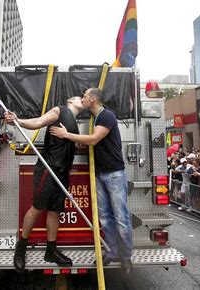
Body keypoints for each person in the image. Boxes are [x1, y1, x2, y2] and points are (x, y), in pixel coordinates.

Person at [50, 88, 134, 274]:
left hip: (114, 174)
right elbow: (94, 141)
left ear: (94, 99)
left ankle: (126, 256)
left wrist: (66, 135)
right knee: (105, 217)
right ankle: (112, 252)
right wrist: (79, 143)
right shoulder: (96, 119)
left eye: (85, 97)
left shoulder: (106, 116)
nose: (83, 99)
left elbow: (95, 139)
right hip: (99, 173)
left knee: (121, 217)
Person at [5, 96, 84, 272]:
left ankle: (51, 250)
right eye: (80, 97)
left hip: (63, 171)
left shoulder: (73, 122)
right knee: (37, 208)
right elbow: (38, 122)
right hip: (48, 169)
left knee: (55, 210)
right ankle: (21, 248)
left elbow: (71, 145)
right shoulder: (60, 111)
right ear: (70, 100)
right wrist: (17, 120)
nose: (83, 99)